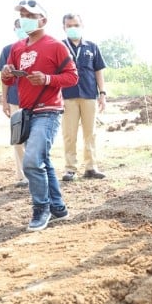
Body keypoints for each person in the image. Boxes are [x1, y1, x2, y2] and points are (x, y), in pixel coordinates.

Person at [0, 0, 79, 231]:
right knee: (42, 160)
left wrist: (46, 79)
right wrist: (6, 73)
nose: (24, 18)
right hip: (27, 111)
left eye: (29, 15)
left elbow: (72, 77)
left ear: (43, 20)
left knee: (32, 161)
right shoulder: (17, 48)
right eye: (22, 14)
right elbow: (9, 79)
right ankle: (58, 208)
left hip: (48, 110)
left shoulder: (56, 46)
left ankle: (40, 208)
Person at [60, 13, 108, 182]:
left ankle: (91, 167)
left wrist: (102, 93)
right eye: (69, 26)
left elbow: (98, 71)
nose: (73, 28)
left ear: (82, 25)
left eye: (76, 25)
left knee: (90, 133)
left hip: (89, 95)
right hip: (67, 96)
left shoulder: (92, 47)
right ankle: (70, 168)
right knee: (69, 133)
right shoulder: (59, 47)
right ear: (64, 28)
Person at [0, 19, 28, 188]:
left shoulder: (39, 49)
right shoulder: (8, 50)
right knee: (18, 137)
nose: (23, 29)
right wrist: (4, 100)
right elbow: (4, 78)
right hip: (15, 99)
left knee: (35, 138)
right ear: (14, 29)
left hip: (35, 100)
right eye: (19, 27)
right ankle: (23, 175)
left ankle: (37, 173)